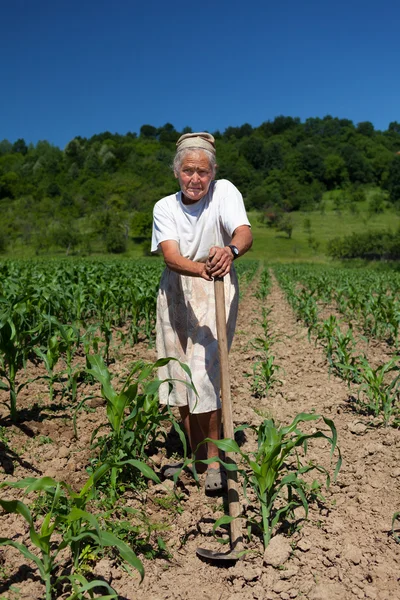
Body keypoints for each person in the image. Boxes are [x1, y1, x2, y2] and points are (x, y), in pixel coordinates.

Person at [151, 132, 252, 493]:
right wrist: (202, 269)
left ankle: (213, 460)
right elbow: (172, 256)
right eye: (188, 171)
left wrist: (231, 252)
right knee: (178, 374)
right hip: (178, 287)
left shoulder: (224, 192)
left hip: (217, 288)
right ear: (177, 172)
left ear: (213, 172)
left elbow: (243, 232)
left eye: (203, 171)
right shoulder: (165, 207)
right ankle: (194, 455)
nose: (196, 178)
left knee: (204, 373)